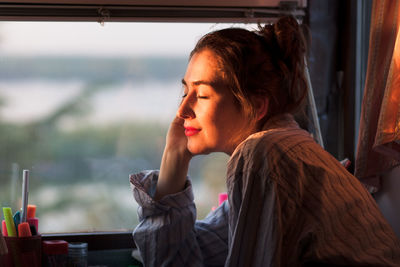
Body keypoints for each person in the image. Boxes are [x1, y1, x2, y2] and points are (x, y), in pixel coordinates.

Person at [130, 16, 400, 266]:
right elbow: (183, 259)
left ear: (256, 106)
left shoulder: (267, 155)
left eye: (201, 95)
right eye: (185, 91)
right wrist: (174, 158)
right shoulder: (278, 155)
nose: (182, 110)